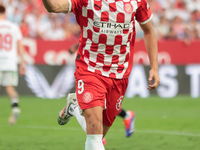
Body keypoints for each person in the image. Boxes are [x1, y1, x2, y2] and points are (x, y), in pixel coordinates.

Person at [42, 0, 160, 149]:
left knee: (98, 134)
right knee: (94, 128)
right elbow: (54, 6)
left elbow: (149, 31)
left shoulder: (136, 2)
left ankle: (74, 106)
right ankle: (77, 107)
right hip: (90, 69)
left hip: (119, 75)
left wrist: (154, 67)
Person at [66, 43, 135, 139]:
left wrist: (75, 47)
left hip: (107, 68)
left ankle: (124, 116)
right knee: (95, 102)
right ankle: (99, 133)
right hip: (93, 67)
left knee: (100, 103)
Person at [0, 5, 26, 125]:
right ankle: (15, 107)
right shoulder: (13, 26)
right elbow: (20, 45)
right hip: (10, 61)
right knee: (10, 88)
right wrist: (22, 62)